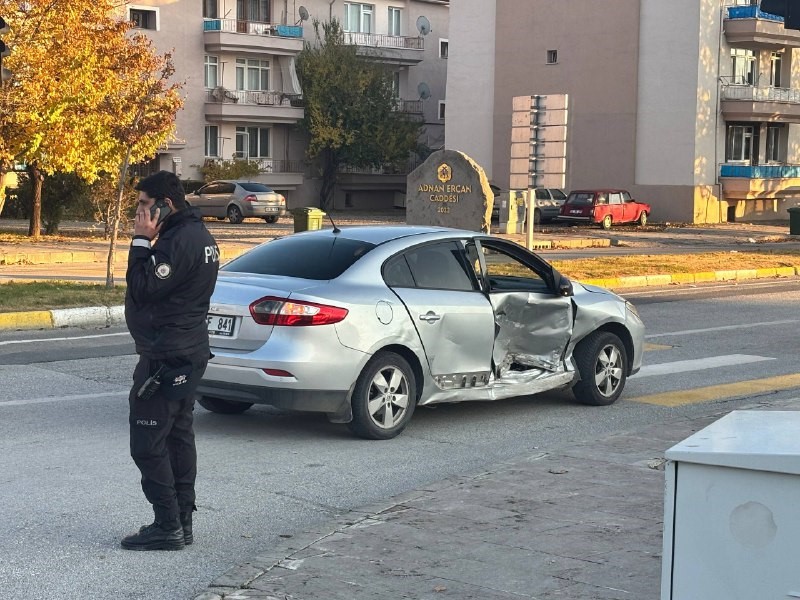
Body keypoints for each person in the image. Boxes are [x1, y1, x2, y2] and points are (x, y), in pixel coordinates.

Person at [121, 170, 220, 551]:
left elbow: (144, 288)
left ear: (165, 204)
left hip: (167, 355)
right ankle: (181, 522)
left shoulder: (177, 241)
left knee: (148, 443)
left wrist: (140, 242)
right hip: (187, 351)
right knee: (178, 437)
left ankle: (167, 525)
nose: (140, 213)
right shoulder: (197, 235)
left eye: (145, 206)